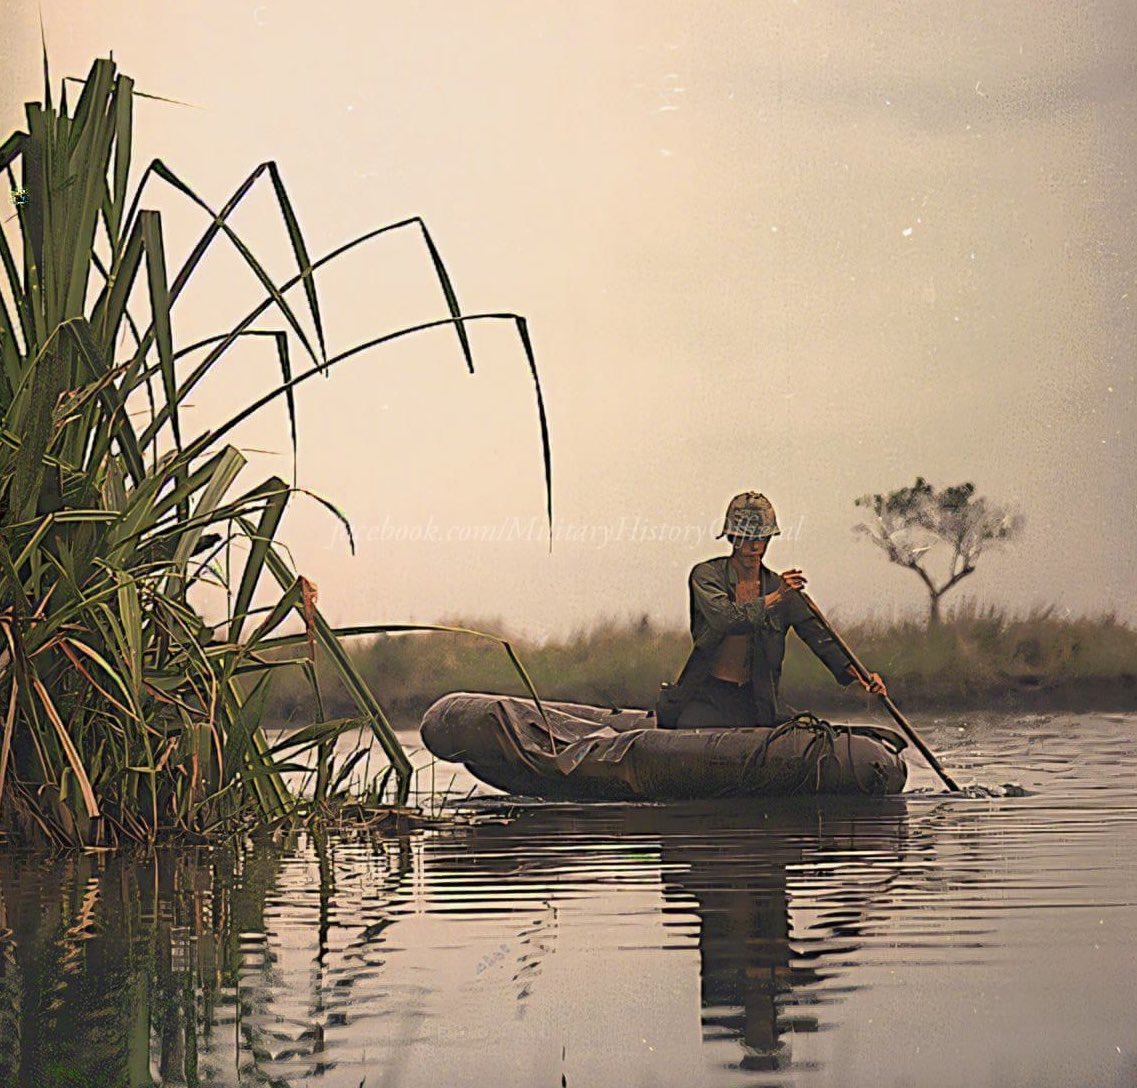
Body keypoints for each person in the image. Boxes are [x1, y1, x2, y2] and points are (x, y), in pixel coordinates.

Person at [660, 492, 887, 729]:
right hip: (708, 698)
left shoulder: (783, 591)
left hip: (757, 703)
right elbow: (726, 619)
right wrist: (777, 596)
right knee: (689, 732)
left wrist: (861, 676)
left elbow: (822, 640)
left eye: (761, 538)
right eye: (746, 538)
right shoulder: (707, 576)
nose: (754, 546)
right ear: (732, 537)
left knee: (806, 731)